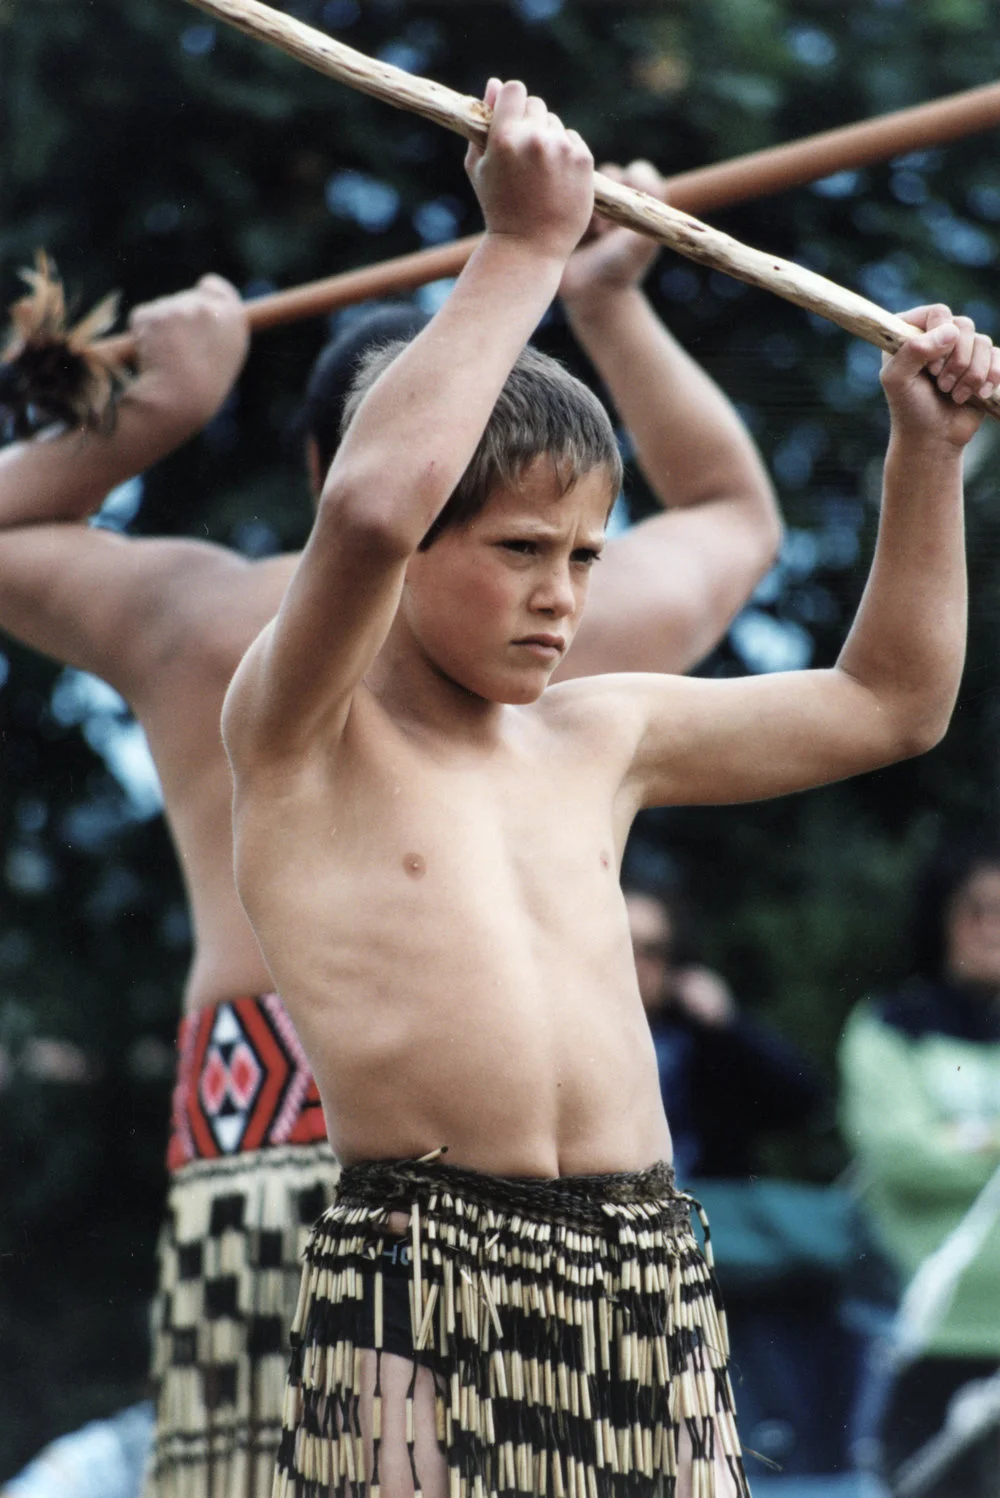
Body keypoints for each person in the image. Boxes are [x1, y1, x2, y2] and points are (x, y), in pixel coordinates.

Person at [221, 76, 997, 1498]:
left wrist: (926, 458)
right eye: (522, 549)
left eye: (585, 558)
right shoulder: (299, 734)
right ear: (412, 559)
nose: (563, 599)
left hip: (644, 1263)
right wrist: (520, 250)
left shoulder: (600, 735)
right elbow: (373, 505)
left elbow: (890, 705)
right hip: (420, 1269)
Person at [0, 152, 780, 1498]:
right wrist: (607, 305)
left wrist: (155, 414)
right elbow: (734, 512)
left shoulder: (196, 613)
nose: (553, 581)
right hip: (538, 1157)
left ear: (322, 458)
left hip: (268, 1125)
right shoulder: (600, 614)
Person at [840, 836, 1000, 1497]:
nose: (993, 928)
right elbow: (904, 1156)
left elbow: (934, 1149)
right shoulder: (890, 1027)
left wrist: (965, 1138)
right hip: (925, 1335)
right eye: (975, 909)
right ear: (940, 918)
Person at [625, 875, 821, 1180]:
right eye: (624, 944)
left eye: (652, 950)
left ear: (673, 962)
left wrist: (728, 1024)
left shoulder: (696, 1037)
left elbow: (804, 1103)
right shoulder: (572, 1037)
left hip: (702, 1209)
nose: (634, 962)